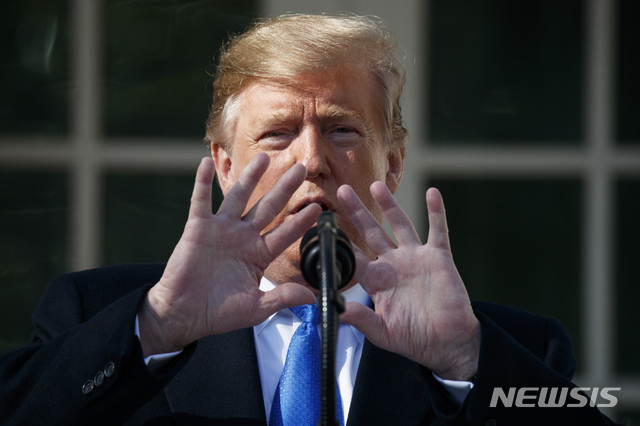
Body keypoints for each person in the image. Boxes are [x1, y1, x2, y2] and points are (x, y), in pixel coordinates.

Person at [0, 14, 620, 426]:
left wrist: (467, 363)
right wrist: (157, 329)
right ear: (223, 163)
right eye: (276, 134)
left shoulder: (511, 348)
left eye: (342, 129)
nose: (313, 160)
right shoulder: (100, 312)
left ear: (395, 161)